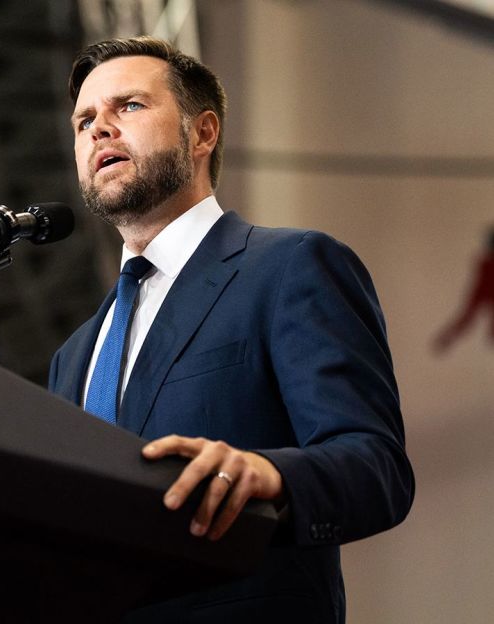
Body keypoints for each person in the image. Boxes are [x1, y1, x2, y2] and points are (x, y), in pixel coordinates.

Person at [48, 37, 414, 623]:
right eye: (85, 120)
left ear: (203, 133)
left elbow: (376, 468)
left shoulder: (289, 267)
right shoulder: (74, 356)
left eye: (130, 106)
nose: (100, 129)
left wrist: (271, 474)